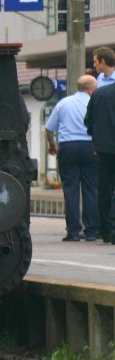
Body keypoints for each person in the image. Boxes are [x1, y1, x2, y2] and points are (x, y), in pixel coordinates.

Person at [45, 74, 99, 242]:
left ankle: (73, 232)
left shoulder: (63, 103)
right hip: (90, 148)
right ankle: (91, 231)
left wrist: (53, 145)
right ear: (91, 89)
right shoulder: (94, 103)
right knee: (91, 190)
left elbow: (49, 128)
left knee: (71, 191)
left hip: (68, 148)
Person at [84, 79, 115, 244]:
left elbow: (88, 120)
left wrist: (97, 137)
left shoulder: (100, 93)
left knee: (104, 189)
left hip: (104, 149)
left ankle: (105, 231)